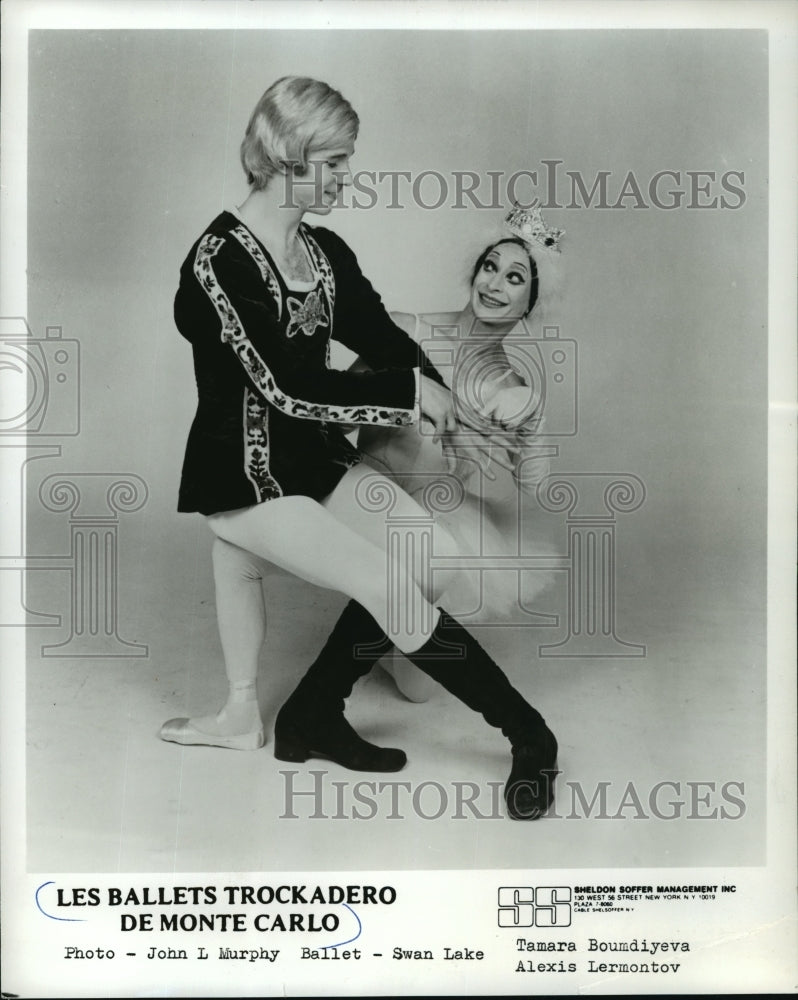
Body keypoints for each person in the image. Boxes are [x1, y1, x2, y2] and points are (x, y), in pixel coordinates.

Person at [160, 76, 558, 820]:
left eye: (348, 159)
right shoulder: (218, 264)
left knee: (431, 561)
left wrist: (451, 411)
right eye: (335, 160)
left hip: (312, 463)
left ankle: (309, 712)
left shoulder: (324, 252)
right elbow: (283, 386)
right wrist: (409, 395)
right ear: (287, 156)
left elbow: (384, 341)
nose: (348, 176)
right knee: (390, 583)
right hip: (244, 478)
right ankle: (530, 736)